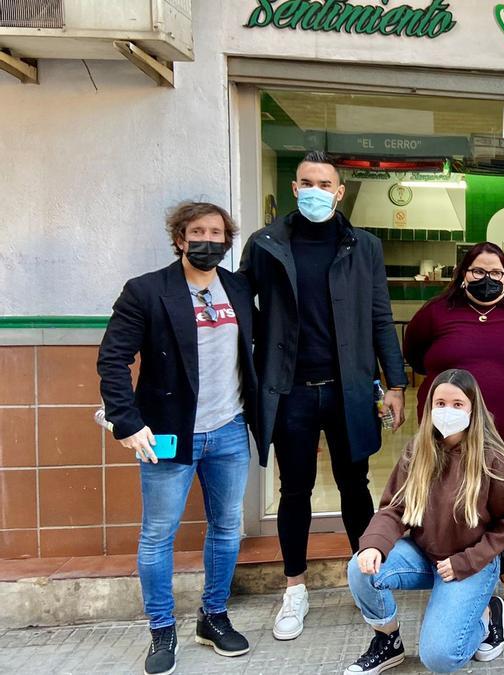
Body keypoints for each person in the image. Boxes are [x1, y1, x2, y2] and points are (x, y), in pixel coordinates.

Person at [239, 150, 408, 641]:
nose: (316, 190)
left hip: (347, 390)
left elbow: (380, 316)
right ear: (295, 189)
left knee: (356, 488)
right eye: (306, 182)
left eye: (325, 183)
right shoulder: (266, 244)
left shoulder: (364, 246)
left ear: (340, 191)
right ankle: (295, 588)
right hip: (289, 391)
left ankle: (367, 579)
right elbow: (243, 311)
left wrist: (394, 384)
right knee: (295, 491)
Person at [97, 201, 258, 675]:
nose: (208, 240)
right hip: (167, 433)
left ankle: (213, 616)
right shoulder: (146, 291)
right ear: (180, 238)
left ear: (227, 242)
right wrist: (126, 422)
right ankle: (161, 628)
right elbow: (113, 359)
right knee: (157, 535)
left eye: (217, 232)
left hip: (229, 429)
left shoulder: (239, 287)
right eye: (197, 231)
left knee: (227, 528)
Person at [403, 242, 504, 622]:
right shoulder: (436, 314)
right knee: (449, 504)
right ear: (462, 274)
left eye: (495, 272)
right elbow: (414, 355)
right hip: (449, 434)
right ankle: (452, 575)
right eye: (477, 271)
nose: (486, 279)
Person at [343, 369, 504, 674]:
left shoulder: (493, 459)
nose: (447, 411)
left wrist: (466, 562)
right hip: (424, 555)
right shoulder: (418, 451)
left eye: (457, 404)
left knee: (440, 658)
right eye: (440, 403)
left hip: (471, 563)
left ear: (472, 408)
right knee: (359, 568)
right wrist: (374, 545)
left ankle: (487, 617)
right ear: (429, 408)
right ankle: (388, 641)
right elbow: (393, 508)